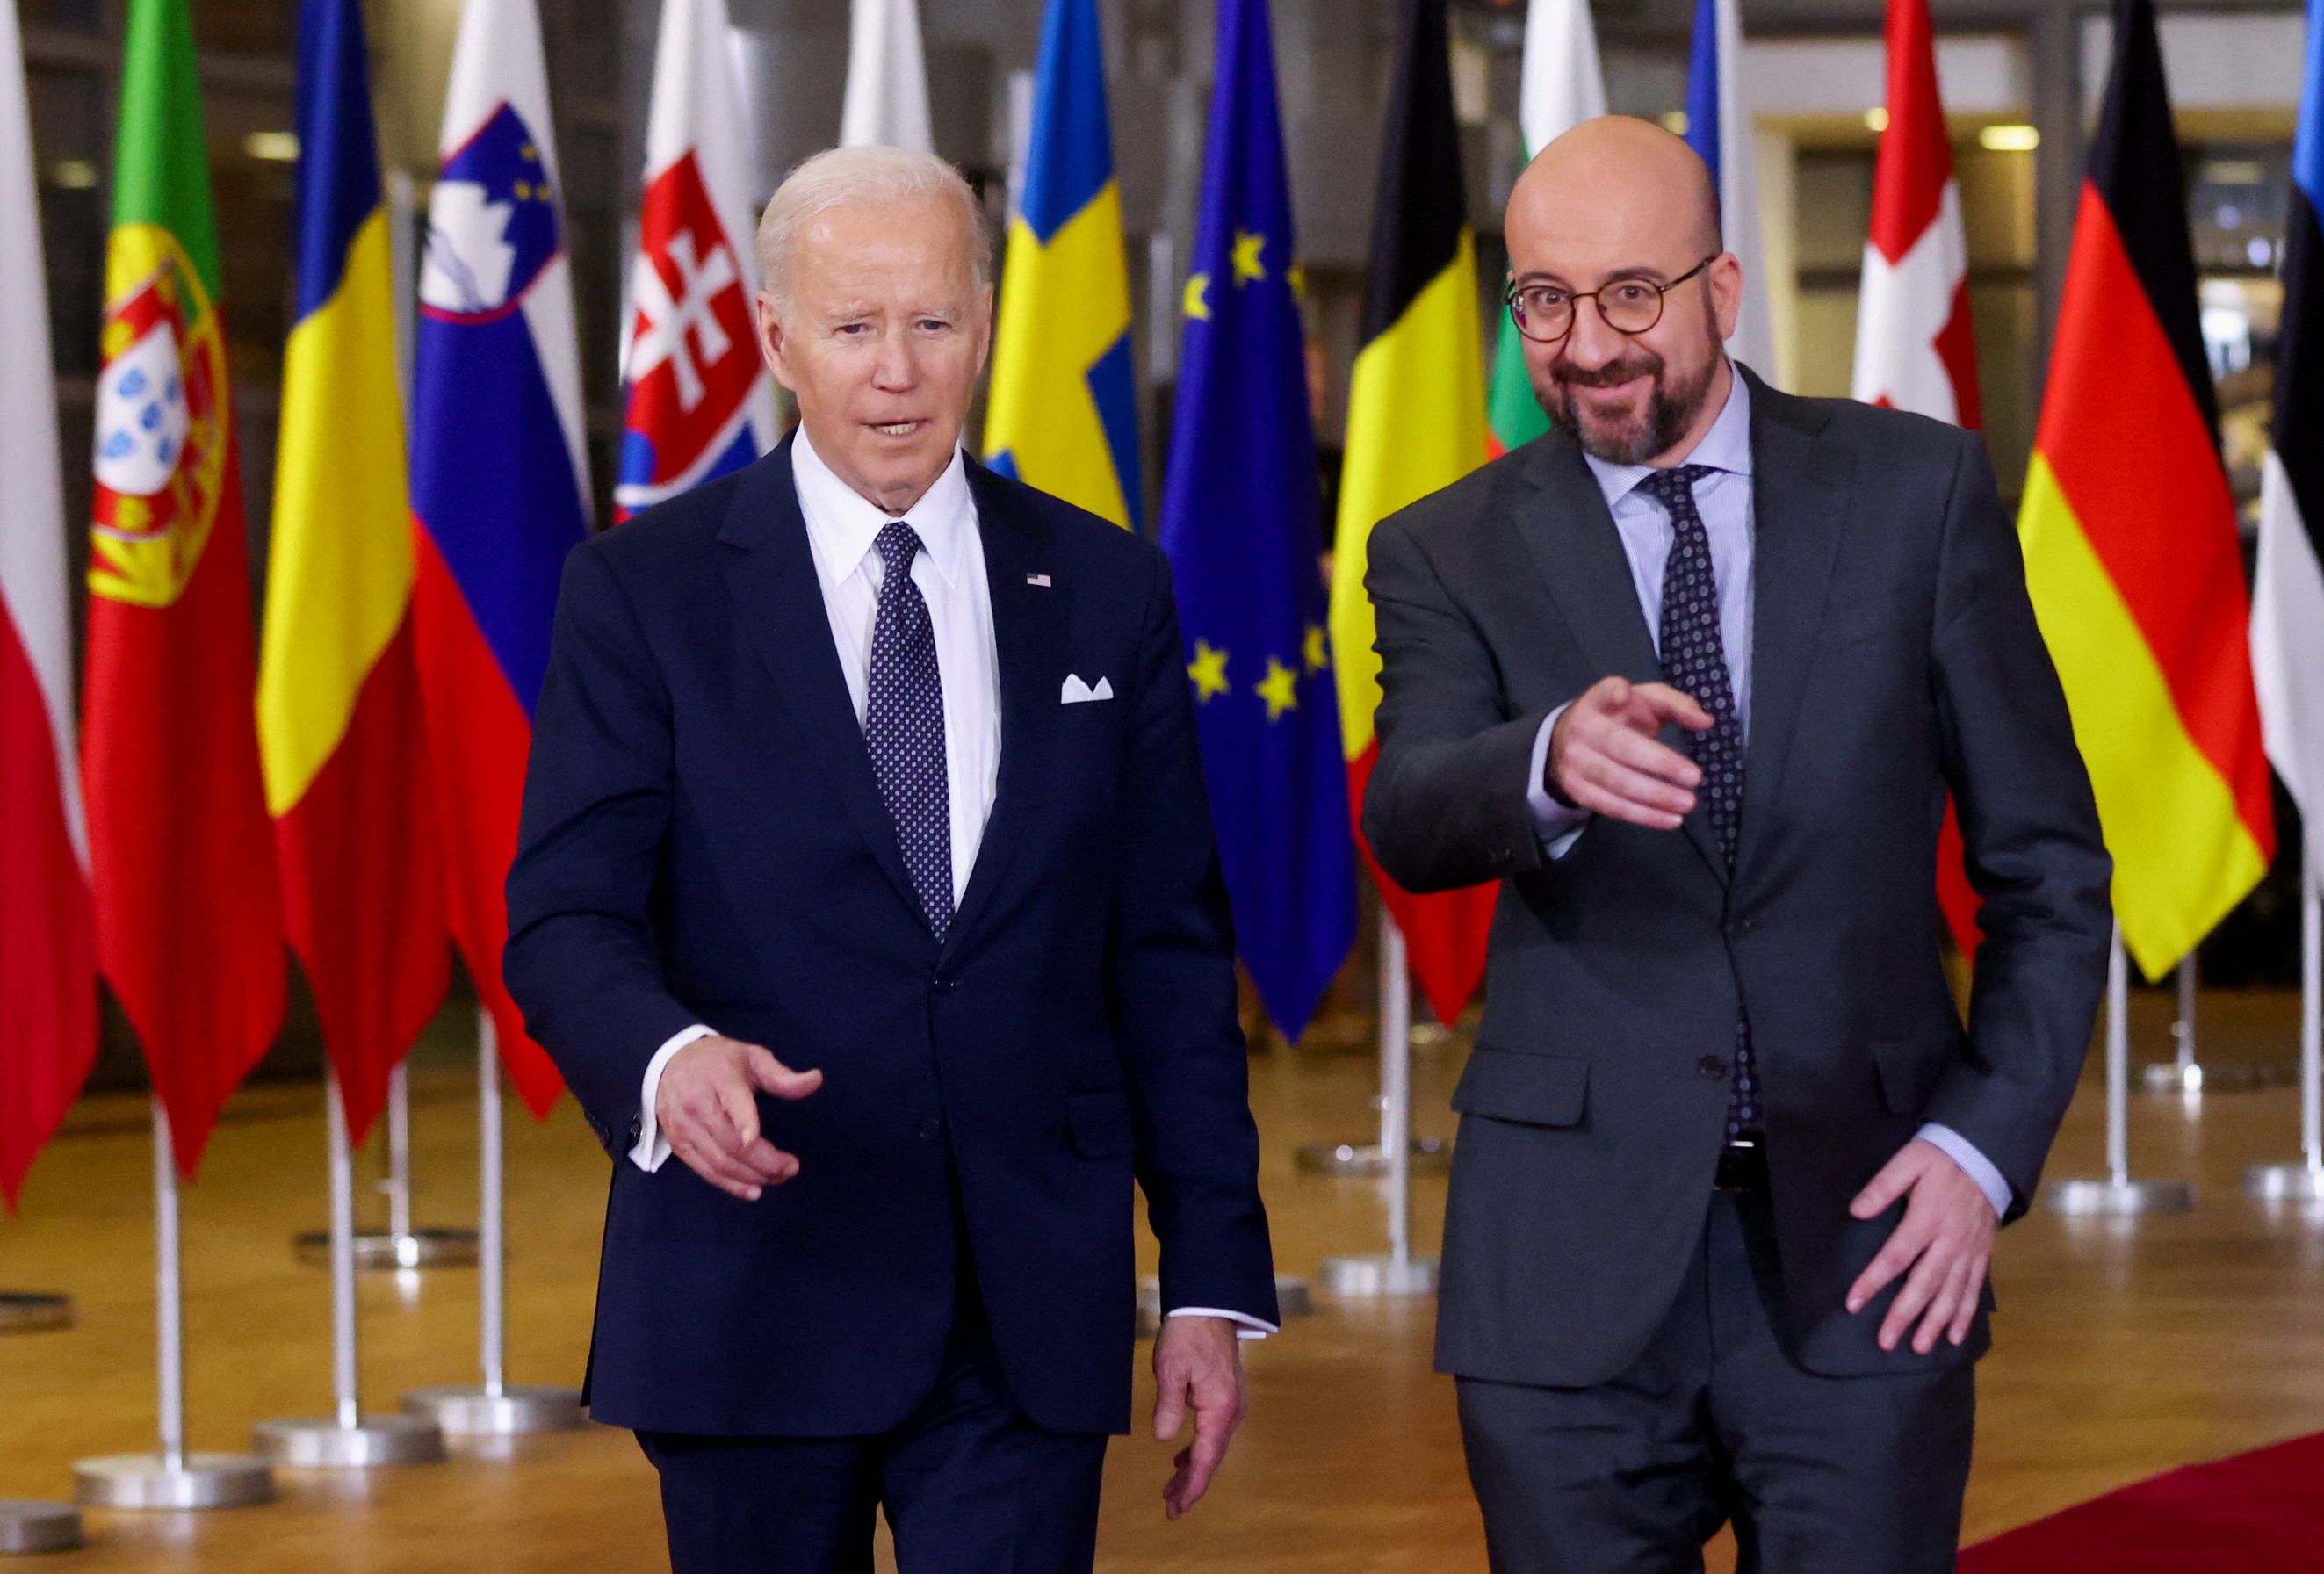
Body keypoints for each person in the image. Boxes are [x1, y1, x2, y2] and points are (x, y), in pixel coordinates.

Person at [504, 144, 1277, 1574]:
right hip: (756, 1285)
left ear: (983, 324)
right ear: (776, 338)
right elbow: (564, 914)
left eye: (931, 321)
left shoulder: (1107, 588)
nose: (897, 371)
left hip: (1024, 1310)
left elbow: (1167, 954)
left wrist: (1208, 1277)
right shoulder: (641, 591)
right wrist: (668, 1059)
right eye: (854, 327)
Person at [1360, 115, 2111, 1571]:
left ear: (1722, 288)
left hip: (1870, 1246)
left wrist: (1978, 1150)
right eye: (1544, 300)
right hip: (1563, 1274)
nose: (1587, 345)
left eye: (1630, 294)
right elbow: (1410, 810)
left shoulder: (1915, 495)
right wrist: (1542, 762)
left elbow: (2049, 875)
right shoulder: (1444, 544)